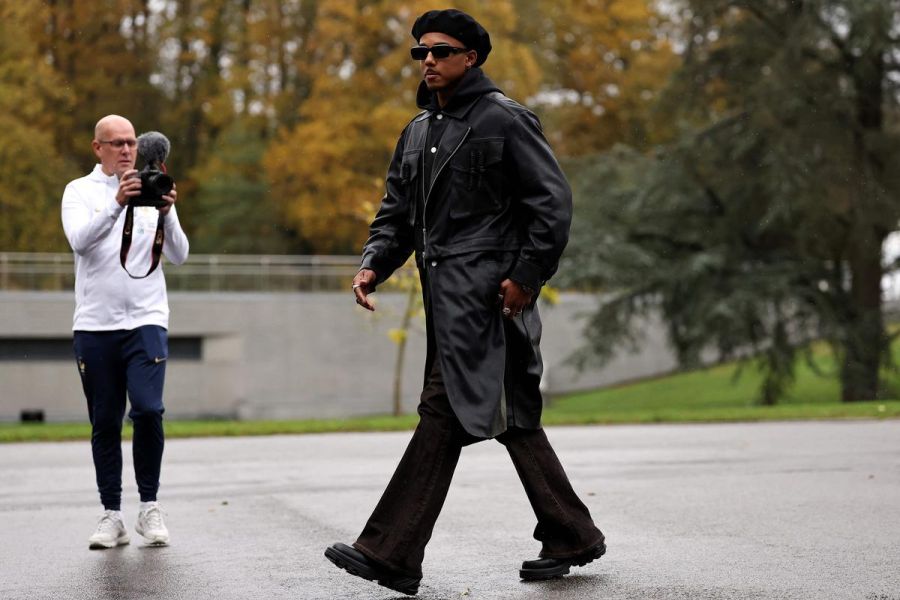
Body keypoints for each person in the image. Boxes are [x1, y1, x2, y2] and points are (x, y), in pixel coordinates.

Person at [325, 9, 605, 596]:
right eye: (420, 51)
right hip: (444, 301)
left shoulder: (506, 120)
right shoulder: (418, 132)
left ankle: (392, 552)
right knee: (511, 417)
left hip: (490, 300)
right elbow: (397, 213)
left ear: (471, 57)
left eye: (442, 50)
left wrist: (526, 277)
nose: (428, 59)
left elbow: (551, 206)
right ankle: (571, 534)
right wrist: (374, 262)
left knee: (445, 410)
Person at [61, 115, 189, 549]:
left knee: (149, 411)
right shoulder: (79, 192)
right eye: (115, 143)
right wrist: (117, 202)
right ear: (97, 148)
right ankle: (111, 514)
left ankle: (149, 507)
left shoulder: (153, 187)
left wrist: (167, 213)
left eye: (131, 142)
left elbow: (180, 255)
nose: (125, 150)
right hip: (95, 324)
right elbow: (79, 240)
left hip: (147, 319)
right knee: (105, 421)